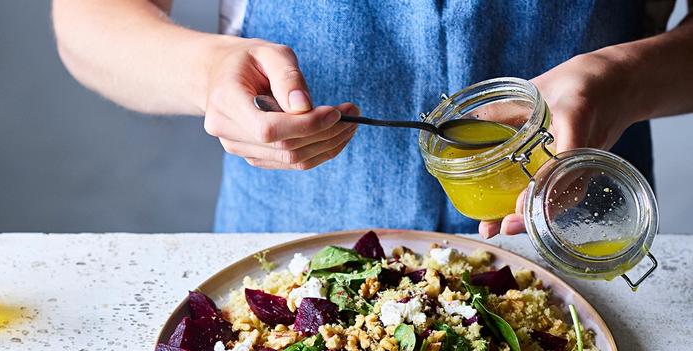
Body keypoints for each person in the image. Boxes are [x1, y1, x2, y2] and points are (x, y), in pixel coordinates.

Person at [52, 1, 693, 236]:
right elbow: (88, 20)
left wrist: (625, 82)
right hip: (292, 265)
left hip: (580, 244)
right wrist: (206, 71)